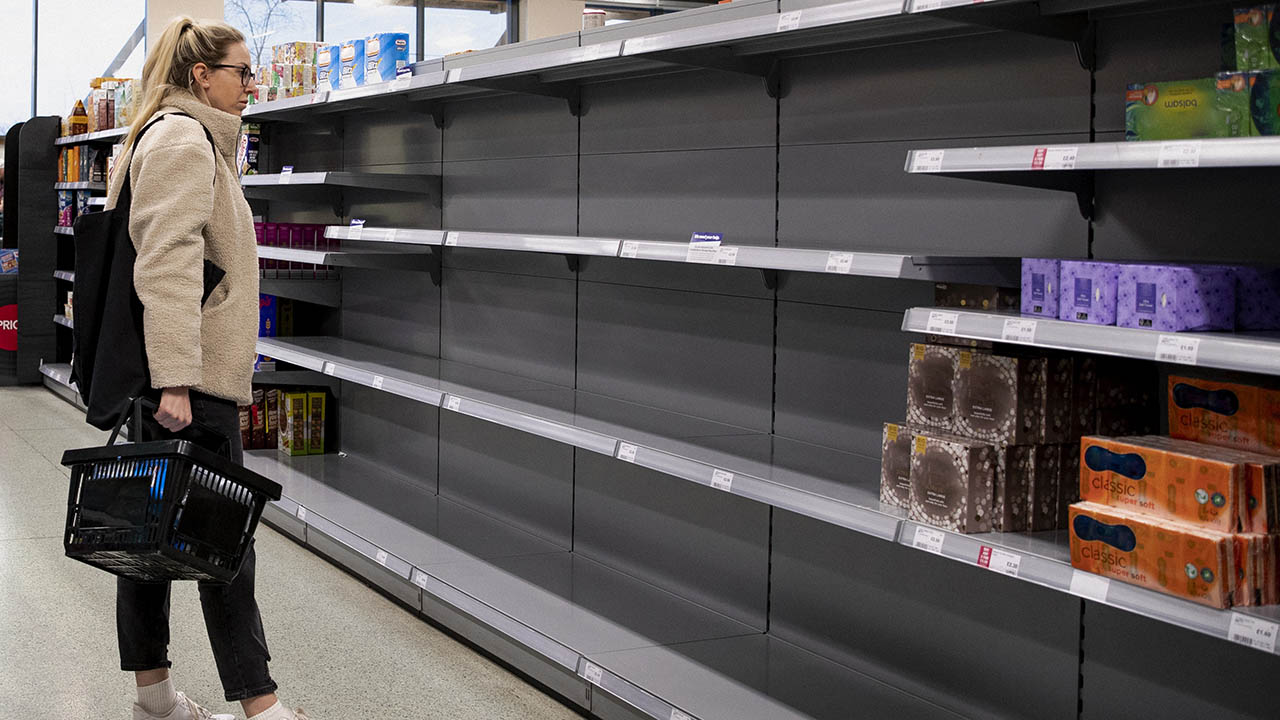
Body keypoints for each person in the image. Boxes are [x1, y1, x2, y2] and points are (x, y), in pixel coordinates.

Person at [103, 16, 309, 720]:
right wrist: (176, 380)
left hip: (184, 375)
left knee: (151, 537)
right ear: (202, 77)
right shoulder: (183, 141)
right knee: (223, 541)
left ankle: (156, 701)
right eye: (241, 71)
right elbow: (165, 266)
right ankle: (262, 707)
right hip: (188, 382)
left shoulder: (192, 140)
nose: (252, 83)